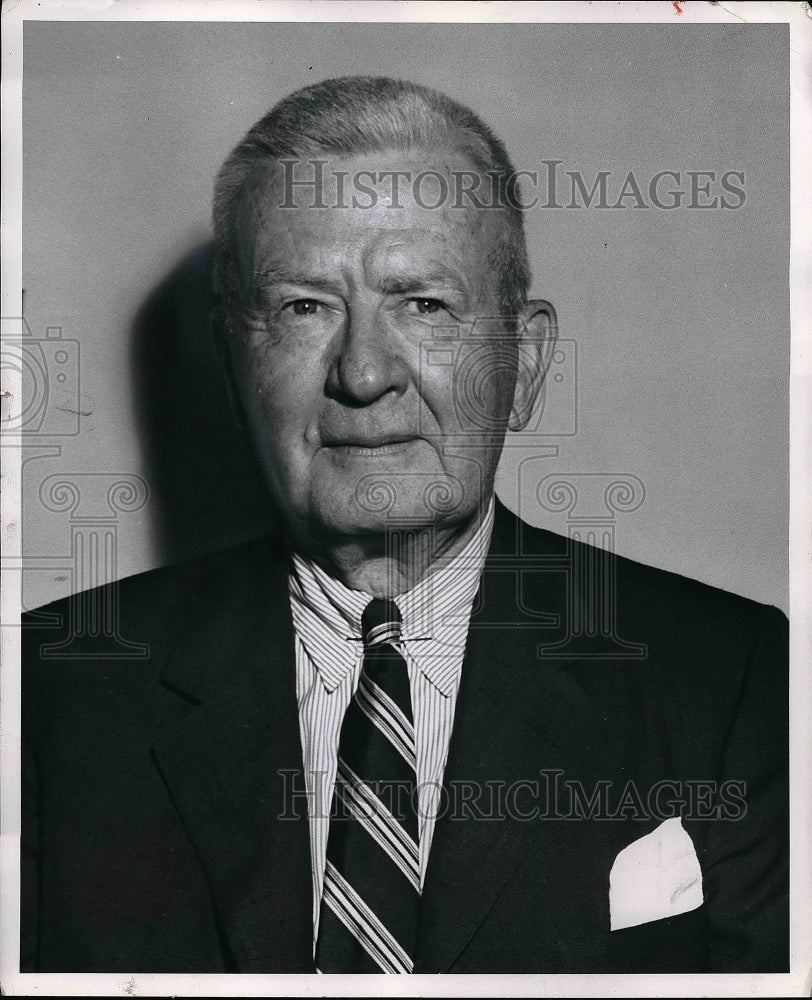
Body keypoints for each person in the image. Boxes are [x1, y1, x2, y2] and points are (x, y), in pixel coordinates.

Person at [21, 76, 788, 974]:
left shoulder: (737, 680)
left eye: (423, 303)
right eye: (304, 306)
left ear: (526, 363)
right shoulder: (49, 693)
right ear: (234, 366)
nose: (363, 371)